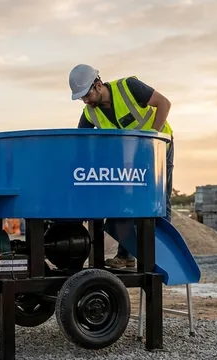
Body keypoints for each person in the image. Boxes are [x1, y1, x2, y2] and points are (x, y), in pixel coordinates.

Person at [69, 64, 174, 269]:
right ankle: (126, 255)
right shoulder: (90, 113)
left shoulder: (129, 88)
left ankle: (163, 256)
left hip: (158, 147)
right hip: (128, 157)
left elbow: (164, 103)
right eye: (81, 98)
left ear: (98, 85)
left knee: (159, 198)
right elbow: (81, 145)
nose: (85, 100)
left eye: (86, 95)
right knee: (125, 200)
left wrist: (150, 140)